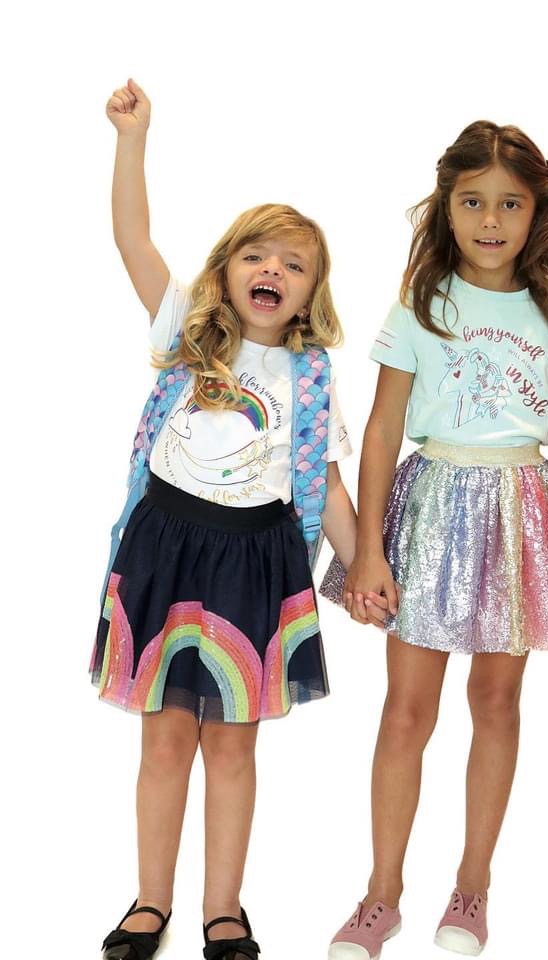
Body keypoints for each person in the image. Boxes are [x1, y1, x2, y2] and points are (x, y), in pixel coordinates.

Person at [92, 79, 381, 960]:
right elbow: (132, 238)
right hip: (167, 551)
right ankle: (151, 902)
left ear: (311, 293)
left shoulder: (310, 376)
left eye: (295, 265)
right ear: (224, 270)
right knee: (164, 745)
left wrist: (367, 567)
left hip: (254, 563)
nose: (273, 272)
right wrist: (132, 139)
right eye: (258, 255)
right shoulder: (186, 332)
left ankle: (224, 909)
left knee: (231, 750)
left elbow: (326, 484)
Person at [322, 120, 548, 959]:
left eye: (510, 204)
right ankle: (381, 894)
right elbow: (381, 429)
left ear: (537, 212)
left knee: (497, 703)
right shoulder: (421, 306)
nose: (490, 220)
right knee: (407, 710)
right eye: (473, 202)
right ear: (446, 208)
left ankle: (472, 886)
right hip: (432, 504)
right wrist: (368, 550)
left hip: (520, 513)